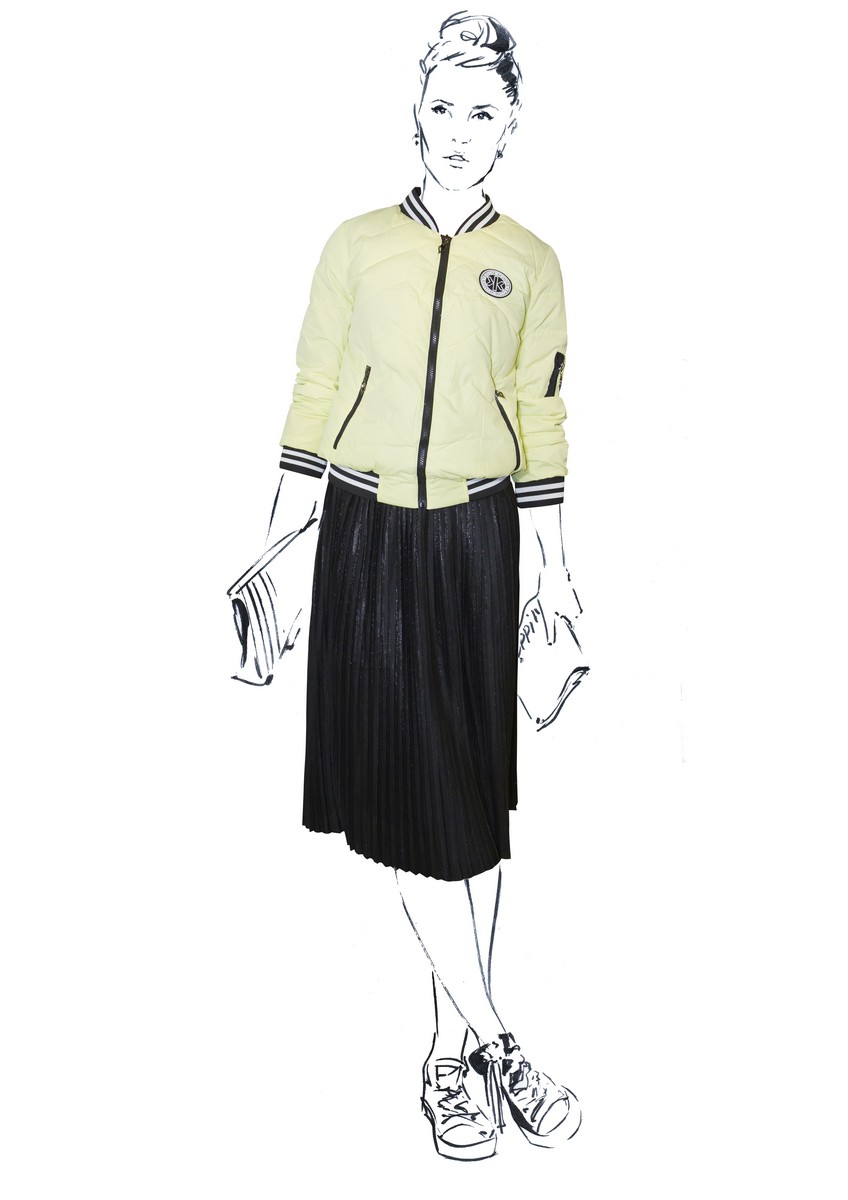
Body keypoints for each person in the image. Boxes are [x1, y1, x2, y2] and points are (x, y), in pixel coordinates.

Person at [266, 12, 583, 1160]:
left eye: (480, 111)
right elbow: (313, 391)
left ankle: (450, 1059)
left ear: (510, 124)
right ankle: (499, 1047)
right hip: (364, 538)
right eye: (441, 105)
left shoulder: (531, 263)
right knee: (414, 814)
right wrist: (278, 554)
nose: (457, 130)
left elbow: (539, 417)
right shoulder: (355, 246)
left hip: (476, 540)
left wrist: (553, 572)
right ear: (415, 109)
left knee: (467, 809)